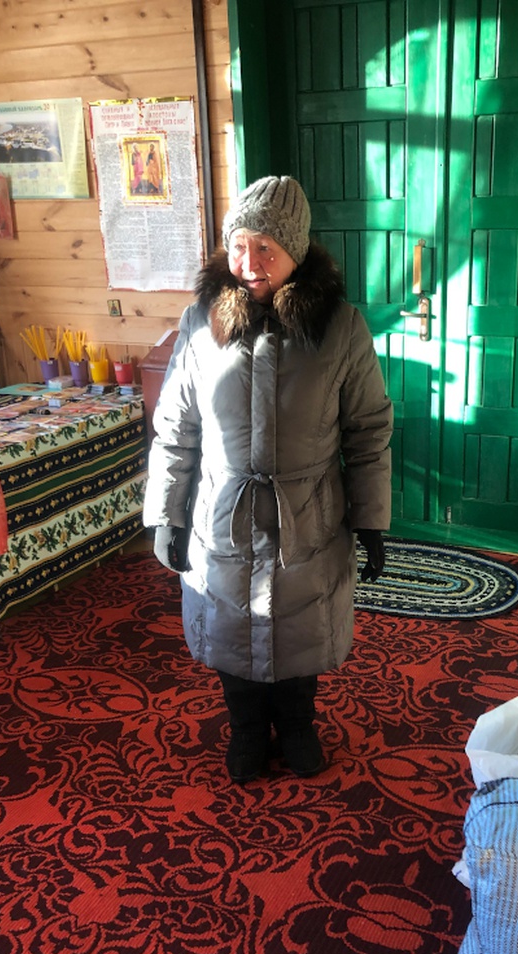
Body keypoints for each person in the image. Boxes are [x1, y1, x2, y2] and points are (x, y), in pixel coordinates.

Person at [143, 176, 393, 784]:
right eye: (239, 246)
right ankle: (247, 728)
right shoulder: (199, 322)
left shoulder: (341, 327)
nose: (249, 264)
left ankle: (299, 724)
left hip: (307, 513)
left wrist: (371, 521)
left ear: (296, 252)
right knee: (230, 624)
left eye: (266, 249)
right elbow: (175, 426)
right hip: (222, 509)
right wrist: (166, 514)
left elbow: (367, 430)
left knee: (301, 625)